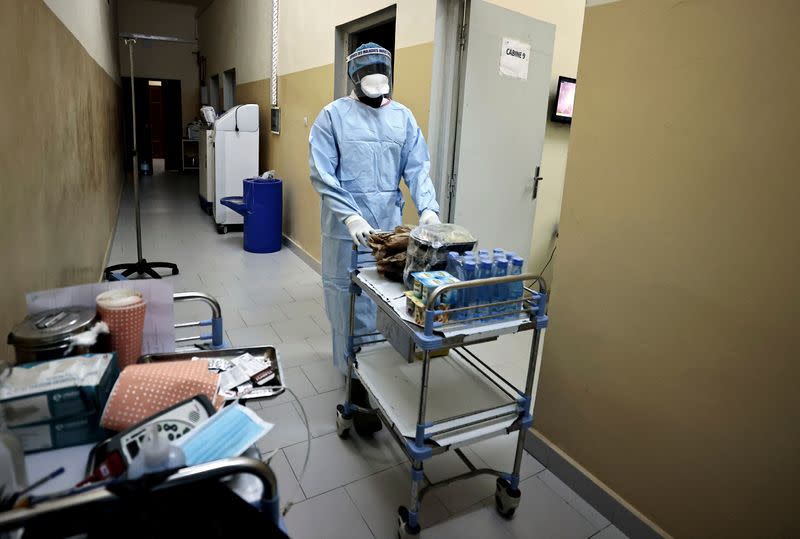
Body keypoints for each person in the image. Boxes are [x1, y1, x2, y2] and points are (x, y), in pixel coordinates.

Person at [309, 43, 440, 434]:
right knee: (346, 302)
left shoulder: (403, 118)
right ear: (354, 78)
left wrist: (428, 208)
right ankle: (353, 381)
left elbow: (417, 168)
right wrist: (349, 216)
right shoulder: (332, 117)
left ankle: (376, 374)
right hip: (344, 232)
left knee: (383, 302)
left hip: (387, 232)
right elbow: (322, 173)